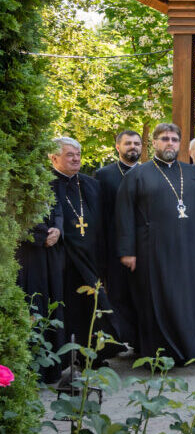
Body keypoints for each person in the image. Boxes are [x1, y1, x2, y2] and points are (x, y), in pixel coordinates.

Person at [117, 123, 195, 361]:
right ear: (155, 143)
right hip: (153, 248)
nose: (170, 143)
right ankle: (161, 354)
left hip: (189, 247)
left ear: (180, 144)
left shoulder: (192, 173)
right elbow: (124, 214)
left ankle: (192, 351)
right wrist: (128, 251)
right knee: (159, 299)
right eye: (164, 139)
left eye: (174, 139)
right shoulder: (137, 174)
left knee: (188, 299)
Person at [50, 137, 119, 361]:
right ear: (54, 158)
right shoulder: (46, 185)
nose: (76, 158)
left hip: (92, 257)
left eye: (78, 154)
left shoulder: (91, 184)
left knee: (93, 308)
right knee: (69, 310)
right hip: (63, 259)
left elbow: (105, 221)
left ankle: (94, 356)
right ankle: (67, 358)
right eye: (70, 154)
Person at [94, 130, 142, 348]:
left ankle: (141, 341)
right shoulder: (104, 175)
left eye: (137, 143)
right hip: (114, 247)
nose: (133, 147)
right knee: (119, 296)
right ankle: (119, 342)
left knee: (142, 296)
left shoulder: (148, 173)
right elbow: (100, 215)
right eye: (128, 143)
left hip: (144, 247)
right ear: (117, 147)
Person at [15, 183, 64, 382]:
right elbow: (14, 218)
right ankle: (33, 371)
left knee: (51, 303)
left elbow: (57, 210)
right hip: (27, 255)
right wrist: (41, 236)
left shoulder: (47, 181)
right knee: (33, 305)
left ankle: (51, 368)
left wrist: (57, 231)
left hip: (49, 254)